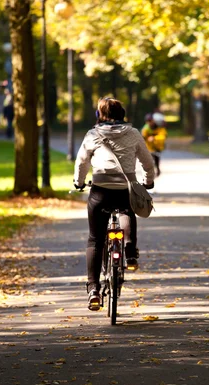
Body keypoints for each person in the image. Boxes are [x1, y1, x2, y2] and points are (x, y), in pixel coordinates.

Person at [73, 97, 155, 311]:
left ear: (99, 115)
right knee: (128, 209)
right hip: (125, 190)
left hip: (100, 190)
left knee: (94, 239)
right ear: (123, 114)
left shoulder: (93, 134)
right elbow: (147, 161)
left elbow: (82, 161)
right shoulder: (134, 133)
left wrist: (79, 182)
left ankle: (93, 289)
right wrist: (149, 180)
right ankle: (129, 251)